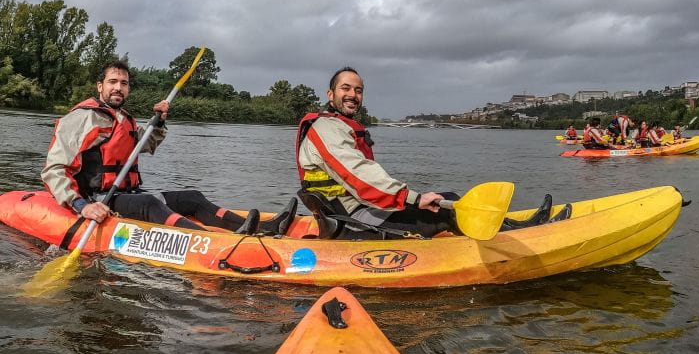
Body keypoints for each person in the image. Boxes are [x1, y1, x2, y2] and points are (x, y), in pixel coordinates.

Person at [295, 67, 562, 239]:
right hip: (351, 222)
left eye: (358, 90)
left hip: (354, 211)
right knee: (448, 211)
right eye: (346, 88)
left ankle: (514, 227)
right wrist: (412, 198)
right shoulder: (326, 129)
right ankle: (521, 237)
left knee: (448, 199)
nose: (353, 95)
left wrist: (411, 199)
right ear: (331, 94)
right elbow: (359, 175)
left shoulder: (336, 126)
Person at [41, 60, 289, 236]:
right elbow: (54, 170)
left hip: (126, 194)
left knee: (192, 197)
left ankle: (264, 228)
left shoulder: (123, 118)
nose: (118, 87)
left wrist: (158, 122)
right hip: (98, 199)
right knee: (150, 203)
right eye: (112, 82)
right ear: (100, 86)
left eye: (124, 83)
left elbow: (146, 144)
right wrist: (82, 206)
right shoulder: (82, 118)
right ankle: (214, 240)